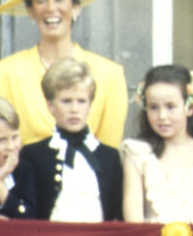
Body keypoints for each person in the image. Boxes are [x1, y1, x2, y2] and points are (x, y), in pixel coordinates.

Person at [0, 0, 128, 147]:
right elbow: (2, 144)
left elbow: (108, 155)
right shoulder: (7, 72)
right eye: (41, 0)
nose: (51, 8)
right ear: (30, 11)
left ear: (76, 8)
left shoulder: (109, 74)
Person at [122, 65, 193, 223]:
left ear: (189, 107)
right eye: (154, 107)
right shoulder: (138, 153)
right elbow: (132, 208)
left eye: (170, 107)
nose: (162, 116)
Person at [20, 58, 122, 221]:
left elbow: (118, 213)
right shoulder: (33, 155)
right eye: (66, 101)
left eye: (81, 101)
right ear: (50, 106)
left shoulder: (109, 157)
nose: (74, 109)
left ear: (90, 105)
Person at [0, 94, 35, 219]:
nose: (11, 147)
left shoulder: (23, 169)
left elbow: (29, 219)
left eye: (15, 137)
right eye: (1, 140)